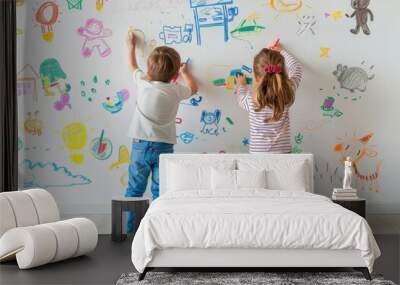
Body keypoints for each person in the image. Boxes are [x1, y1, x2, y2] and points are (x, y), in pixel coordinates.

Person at [125, 32, 198, 233]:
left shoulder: (143, 82)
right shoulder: (175, 90)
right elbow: (194, 88)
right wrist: (185, 73)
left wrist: (131, 47)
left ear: (149, 69)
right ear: (174, 75)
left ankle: (131, 230)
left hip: (140, 145)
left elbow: (132, 66)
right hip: (163, 147)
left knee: (134, 190)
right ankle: (158, 231)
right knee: (160, 191)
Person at [235, 40, 302, 153]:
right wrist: (282, 51)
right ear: (282, 73)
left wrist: (241, 85)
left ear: (256, 78)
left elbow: (240, 97)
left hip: (258, 154)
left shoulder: (251, 99)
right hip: (283, 153)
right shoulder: (287, 92)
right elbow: (297, 69)